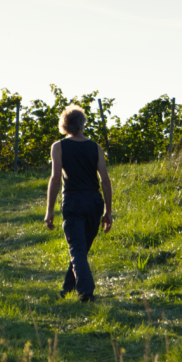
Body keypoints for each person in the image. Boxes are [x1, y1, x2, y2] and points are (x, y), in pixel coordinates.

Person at [45, 104, 113, 302]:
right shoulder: (95, 147)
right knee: (80, 250)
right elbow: (105, 180)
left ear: (64, 125)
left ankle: (86, 293)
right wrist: (108, 210)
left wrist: (49, 210)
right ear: (83, 124)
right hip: (94, 201)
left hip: (73, 201)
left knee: (78, 250)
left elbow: (55, 178)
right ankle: (68, 289)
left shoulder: (58, 147)